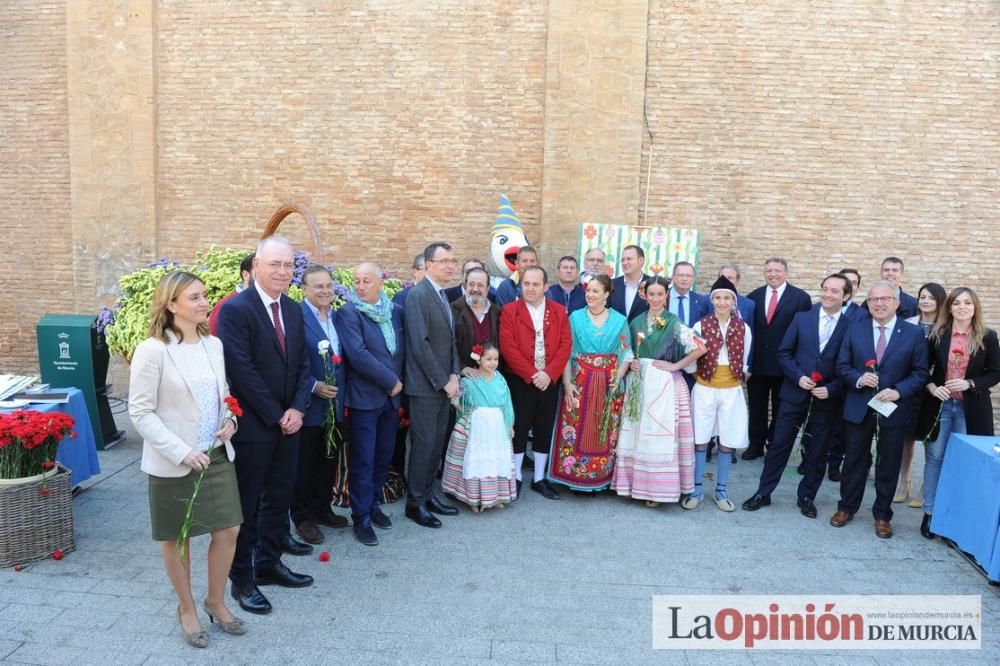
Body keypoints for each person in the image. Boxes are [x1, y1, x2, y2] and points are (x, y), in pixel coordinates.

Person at [129, 271, 246, 647]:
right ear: (170, 304)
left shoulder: (214, 345)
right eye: (194, 298)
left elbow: (223, 394)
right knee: (178, 538)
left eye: (204, 295)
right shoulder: (154, 350)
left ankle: (215, 599)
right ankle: (186, 607)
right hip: (174, 461)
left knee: (228, 530)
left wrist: (229, 420)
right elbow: (140, 412)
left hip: (215, 455)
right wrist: (182, 450)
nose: (203, 302)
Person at [217, 236, 314, 616]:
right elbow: (241, 371)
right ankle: (241, 578)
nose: (282, 272)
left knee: (279, 497)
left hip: (289, 424)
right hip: (256, 427)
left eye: (288, 265)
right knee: (247, 504)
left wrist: (297, 409)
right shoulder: (236, 310)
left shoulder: (292, 310)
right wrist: (277, 414)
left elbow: (304, 364)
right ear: (256, 265)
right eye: (275, 264)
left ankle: (269, 563)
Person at [741, 274, 852, 518]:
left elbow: (850, 366)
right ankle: (763, 492)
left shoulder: (851, 326)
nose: (828, 294)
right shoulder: (802, 318)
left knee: (817, 450)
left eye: (835, 291)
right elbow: (784, 353)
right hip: (794, 393)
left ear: (846, 296)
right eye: (825, 289)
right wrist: (797, 376)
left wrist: (832, 388)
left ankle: (807, 497)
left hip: (826, 399)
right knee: (779, 445)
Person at [832, 280, 929, 539]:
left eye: (885, 298)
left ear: (897, 303)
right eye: (874, 299)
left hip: (894, 409)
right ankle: (846, 507)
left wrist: (899, 391)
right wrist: (859, 378)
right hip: (858, 406)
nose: (879, 303)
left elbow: (920, 374)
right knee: (854, 460)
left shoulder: (913, 334)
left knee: (888, 463)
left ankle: (883, 514)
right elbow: (841, 366)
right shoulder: (855, 329)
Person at [915, 287, 1000, 539]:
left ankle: (956, 518)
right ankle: (929, 514)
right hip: (940, 406)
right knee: (935, 459)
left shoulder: (988, 336)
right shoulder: (938, 335)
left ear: (975, 308)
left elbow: (996, 372)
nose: (962, 307)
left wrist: (970, 384)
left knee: (964, 461)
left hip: (970, 408)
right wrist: (932, 387)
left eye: (967, 303)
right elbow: (922, 370)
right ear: (949, 307)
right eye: (957, 303)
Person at [612, 276, 705, 506]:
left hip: (664, 384)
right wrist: (632, 362)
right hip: (640, 383)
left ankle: (658, 490)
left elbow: (700, 347)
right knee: (637, 433)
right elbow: (627, 351)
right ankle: (634, 486)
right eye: (651, 294)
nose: (655, 299)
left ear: (666, 296)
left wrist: (675, 366)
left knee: (658, 436)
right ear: (645, 295)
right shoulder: (636, 322)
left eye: (660, 294)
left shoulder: (674, 323)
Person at [336, 262, 405, 546]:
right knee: (363, 460)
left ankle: (373, 504)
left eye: (366, 281)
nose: (360, 286)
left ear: (380, 283)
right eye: (357, 281)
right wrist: (390, 382)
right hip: (366, 398)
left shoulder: (395, 312)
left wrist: (399, 387)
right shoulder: (349, 313)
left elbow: (403, 350)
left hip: (391, 401)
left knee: (383, 456)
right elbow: (358, 354)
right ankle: (361, 517)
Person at [548, 274, 632, 492]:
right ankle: (572, 474)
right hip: (580, 380)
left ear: (606, 294)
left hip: (608, 383)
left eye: (595, 291)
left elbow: (626, 352)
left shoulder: (619, 320)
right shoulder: (575, 318)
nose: (590, 295)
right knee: (576, 427)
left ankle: (600, 478)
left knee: (603, 429)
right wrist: (567, 383)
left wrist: (619, 377)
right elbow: (566, 351)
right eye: (588, 290)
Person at [403, 242, 462, 528]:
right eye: (444, 261)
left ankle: (428, 494)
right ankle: (414, 503)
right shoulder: (418, 295)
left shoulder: (442, 296)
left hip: (443, 385)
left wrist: (454, 375)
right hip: (425, 388)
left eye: (453, 261)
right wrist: (443, 381)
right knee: (424, 446)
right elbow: (420, 345)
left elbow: (449, 344)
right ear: (428, 265)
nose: (450, 266)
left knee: (436, 444)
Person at [499, 265, 572, 499]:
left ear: (545, 287)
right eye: (526, 283)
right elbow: (508, 347)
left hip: (549, 380)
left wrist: (549, 373)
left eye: (535, 284)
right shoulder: (510, 311)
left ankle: (539, 477)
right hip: (521, 379)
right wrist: (531, 374)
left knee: (544, 426)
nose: (530, 288)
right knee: (519, 427)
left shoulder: (559, 311)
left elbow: (565, 345)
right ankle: (516, 476)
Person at [291, 265, 349, 547]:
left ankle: (322, 508)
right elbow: (291, 362)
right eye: (318, 287)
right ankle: (302, 517)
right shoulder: (296, 317)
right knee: (306, 463)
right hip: (310, 404)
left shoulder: (338, 316)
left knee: (328, 460)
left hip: (335, 404)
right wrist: (314, 386)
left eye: (328, 285)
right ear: (304, 289)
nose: (325, 291)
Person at [683, 275, 752, 512]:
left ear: (734, 301)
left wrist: (737, 376)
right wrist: (700, 378)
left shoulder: (744, 328)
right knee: (700, 439)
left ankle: (721, 491)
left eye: (727, 298)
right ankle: (697, 489)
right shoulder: (700, 325)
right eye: (718, 298)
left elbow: (744, 362)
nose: (722, 302)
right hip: (705, 388)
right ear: (712, 301)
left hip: (731, 390)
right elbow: (691, 359)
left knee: (727, 441)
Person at [743, 258, 811, 461]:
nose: (773, 274)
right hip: (758, 363)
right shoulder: (753, 297)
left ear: (786, 273)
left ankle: (775, 445)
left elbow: (805, 334)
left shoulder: (800, 298)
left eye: (777, 270)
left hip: (786, 366)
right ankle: (755, 444)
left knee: (781, 408)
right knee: (756, 407)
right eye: (769, 270)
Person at [441, 342, 517, 512]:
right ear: (479, 359)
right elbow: (457, 401)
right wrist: (465, 411)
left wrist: (509, 424)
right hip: (476, 427)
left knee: (495, 460)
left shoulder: (500, 379)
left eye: (496, 359)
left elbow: (507, 403)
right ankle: (473, 499)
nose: (493, 363)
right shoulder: (469, 381)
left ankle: (495, 496)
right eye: (488, 359)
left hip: (496, 427)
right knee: (476, 460)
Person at [893, 282, 946, 508]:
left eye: (931, 298)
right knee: (906, 437)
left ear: (940, 302)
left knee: (928, 439)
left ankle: (926, 489)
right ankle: (904, 482)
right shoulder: (907, 324)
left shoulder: (945, 329)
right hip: (909, 389)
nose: (925, 301)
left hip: (933, 391)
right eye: (922, 296)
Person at [452, 267, 500, 374]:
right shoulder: (453, 310)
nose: (475, 289)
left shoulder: (497, 313)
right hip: (463, 379)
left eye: (480, 285)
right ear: (465, 286)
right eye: (471, 284)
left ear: (488, 288)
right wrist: (461, 367)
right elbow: (447, 345)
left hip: (490, 378)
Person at [208, 253, 254, 336]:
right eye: (259, 272)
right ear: (245, 275)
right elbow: (216, 341)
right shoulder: (226, 306)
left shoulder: (273, 304)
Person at [609, 245, 650, 322]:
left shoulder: (652, 284)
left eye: (629, 259)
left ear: (641, 260)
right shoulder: (612, 284)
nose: (625, 263)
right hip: (617, 333)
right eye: (622, 260)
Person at [668, 262, 707, 328]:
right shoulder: (662, 297)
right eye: (681, 275)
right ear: (673, 277)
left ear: (693, 279)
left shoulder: (701, 301)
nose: (684, 279)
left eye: (688, 276)